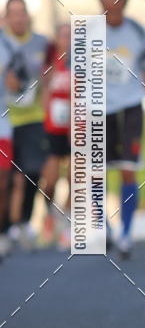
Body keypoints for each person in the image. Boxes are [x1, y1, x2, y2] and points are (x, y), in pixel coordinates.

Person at [98, 0, 145, 259]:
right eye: (105, 8)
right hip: (99, 110)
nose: (109, 13)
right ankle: (104, 227)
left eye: (114, 7)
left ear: (124, 4)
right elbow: (78, 78)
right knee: (96, 172)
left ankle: (125, 234)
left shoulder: (138, 32)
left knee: (127, 170)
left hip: (130, 109)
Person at [4, 0, 49, 250]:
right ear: (6, 17)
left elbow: (53, 72)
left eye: (22, 13)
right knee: (8, 175)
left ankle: (24, 222)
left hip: (34, 117)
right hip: (6, 118)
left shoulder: (42, 43)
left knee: (32, 172)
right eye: (14, 13)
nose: (19, 18)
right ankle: (7, 227)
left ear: (28, 16)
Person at [41, 22, 71, 248]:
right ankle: (49, 212)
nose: (67, 40)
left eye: (71, 36)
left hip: (74, 126)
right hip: (53, 126)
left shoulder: (81, 64)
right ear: (57, 39)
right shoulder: (50, 62)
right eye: (63, 36)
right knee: (50, 179)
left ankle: (66, 223)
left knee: (74, 176)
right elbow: (44, 93)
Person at [0, 27, 21, 259]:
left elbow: (21, 83)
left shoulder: (8, 44)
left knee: (3, 182)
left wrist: (14, 82)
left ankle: (2, 232)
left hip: (2, 126)